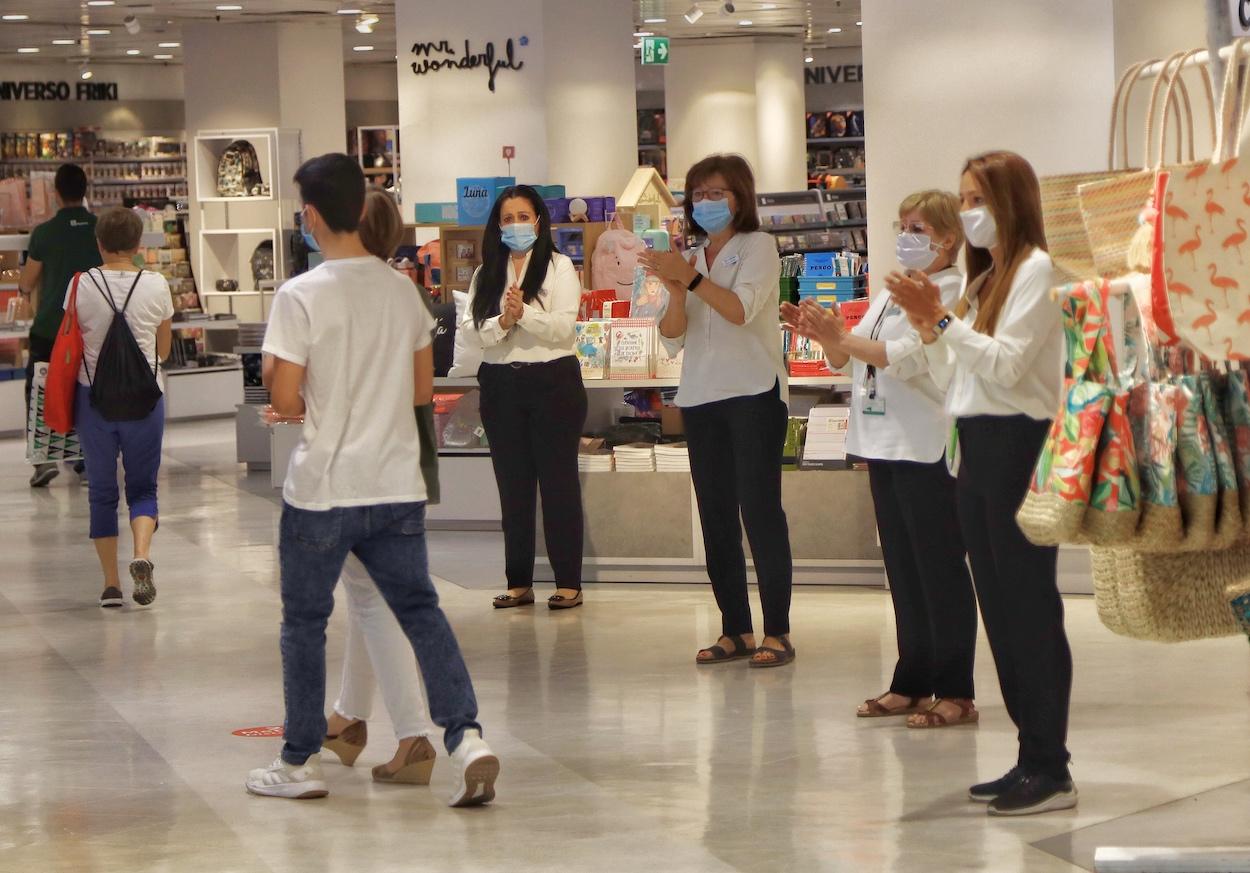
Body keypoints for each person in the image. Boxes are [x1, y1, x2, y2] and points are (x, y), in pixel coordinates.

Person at [248, 154, 498, 806]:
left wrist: (285, 381)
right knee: (419, 609)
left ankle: (299, 759)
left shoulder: (299, 295)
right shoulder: (402, 291)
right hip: (395, 484)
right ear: (362, 208)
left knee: (304, 622)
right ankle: (465, 736)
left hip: (325, 487)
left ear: (310, 216)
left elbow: (289, 399)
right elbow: (421, 390)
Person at [889, 151, 1072, 816]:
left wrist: (939, 322)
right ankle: (1030, 754)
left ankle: (1051, 764)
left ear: (1011, 202)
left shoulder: (1037, 271)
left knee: (1029, 608)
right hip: (974, 447)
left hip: (1017, 447)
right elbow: (955, 376)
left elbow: (1008, 364)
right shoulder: (986, 275)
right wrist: (928, 325)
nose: (967, 213)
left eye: (977, 200)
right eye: (963, 200)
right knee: (999, 608)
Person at [782, 190, 978, 727]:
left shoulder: (952, 293)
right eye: (903, 225)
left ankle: (956, 689)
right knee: (903, 571)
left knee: (939, 569)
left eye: (919, 228)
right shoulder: (892, 292)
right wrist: (823, 335)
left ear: (948, 239)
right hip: (881, 442)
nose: (907, 237)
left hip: (927, 444)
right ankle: (911, 681)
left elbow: (904, 358)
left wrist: (842, 338)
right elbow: (849, 356)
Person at [641, 154, 794, 668]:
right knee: (716, 518)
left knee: (760, 513)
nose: (705, 203)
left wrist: (691, 278)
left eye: (716, 193)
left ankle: (778, 631)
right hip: (701, 397)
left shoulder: (760, 248)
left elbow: (741, 310)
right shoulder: (695, 255)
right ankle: (735, 630)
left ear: (740, 196)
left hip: (753, 394)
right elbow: (671, 336)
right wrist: (678, 288)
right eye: (698, 194)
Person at [321, 189, 438, 785]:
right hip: (400, 464)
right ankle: (346, 720)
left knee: (369, 595)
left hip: (347, 469)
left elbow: (293, 386)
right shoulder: (405, 291)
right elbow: (422, 392)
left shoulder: (322, 290)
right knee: (372, 593)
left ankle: (414, 733)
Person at [458, 185, 587, 611]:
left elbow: (563, 329)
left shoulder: (559, 266)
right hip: (500, 385)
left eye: (523, 216)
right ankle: (518, 582)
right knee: (512, 487)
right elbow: (473, 332)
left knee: (558, 485)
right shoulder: (485, 274)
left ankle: (568, 581)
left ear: (538, 221)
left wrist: (524, 314)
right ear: (497, 225)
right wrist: (504, 320)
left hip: (553, 383)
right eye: (507, 218)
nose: (515, 225)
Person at [73, 207, 173, 609]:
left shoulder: (80, 285)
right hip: (146, 401)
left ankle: (111, 585)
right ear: (138, 245)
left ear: (99, 243)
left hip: (92, 400)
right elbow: (163, 350)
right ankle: (141, 554)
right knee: (143, 487)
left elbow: (71, 343)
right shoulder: (157, 285)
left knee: (101, 492)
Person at [19, 163, 103, 487]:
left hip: (51, 329)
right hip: (92, 327)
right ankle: (85, 459)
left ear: (56, 194)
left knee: (40, 390)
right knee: (88, 390)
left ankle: (43, 461)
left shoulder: (43, 232)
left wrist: (25, 293)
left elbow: (28, 280)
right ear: (86, 192)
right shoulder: (100, 228)